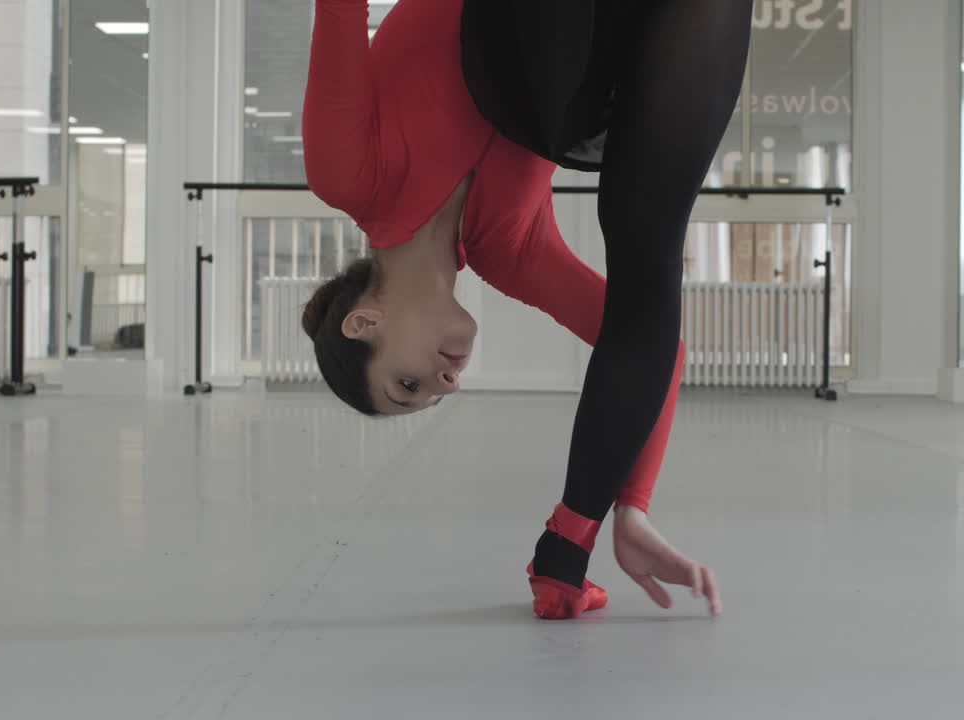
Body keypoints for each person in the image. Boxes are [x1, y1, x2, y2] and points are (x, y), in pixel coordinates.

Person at [300, 0, 751, 619]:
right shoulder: (509, 250)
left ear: (364, 322)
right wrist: (632, 506)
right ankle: (568, 545)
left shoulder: (347, 174)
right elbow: (654, 344)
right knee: (647, 272)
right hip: (605, 40)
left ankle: (565, 546)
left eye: (409, 384)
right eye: (432, 394)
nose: (447, 384)